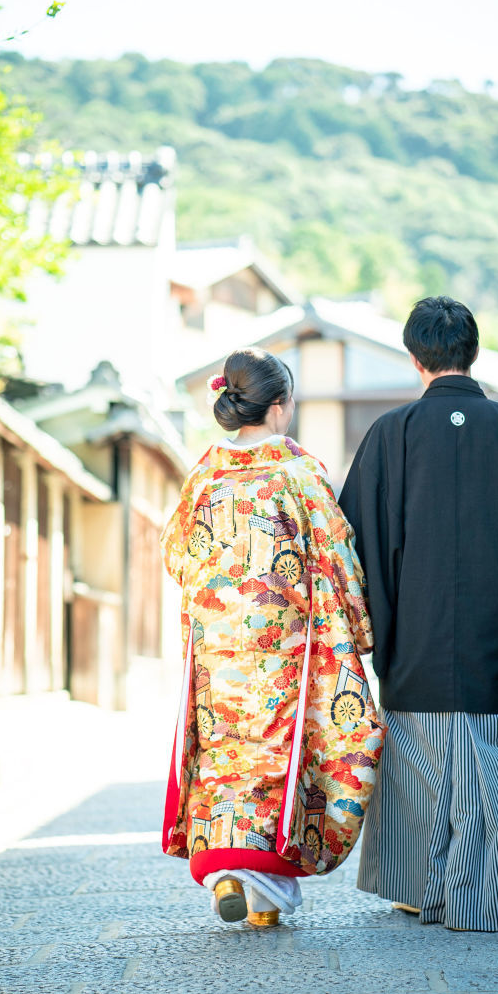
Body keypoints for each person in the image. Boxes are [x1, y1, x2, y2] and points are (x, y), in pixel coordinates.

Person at [339, 296, 498, 932]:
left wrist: (373, 626)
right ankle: (487, 900)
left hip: (413, 644)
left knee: (418, 767)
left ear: (413, 356)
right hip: (490, 641)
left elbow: (351, 545)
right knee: (488, 761)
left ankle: (417, 888)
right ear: (473, 353)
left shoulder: (390, 433)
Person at [161, 347, 383, 927]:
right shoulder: (298, 472)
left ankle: (228, 873)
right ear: (280, 407)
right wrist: (360, 630)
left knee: (223, 753)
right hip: (285, 649)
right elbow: (337, 556)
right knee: (277, 757)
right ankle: (264, 897)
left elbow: (176, 555)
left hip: (217, 648)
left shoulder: (203, 473)